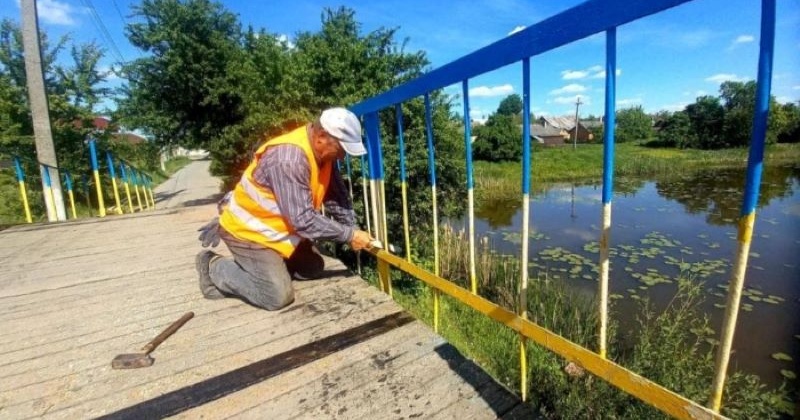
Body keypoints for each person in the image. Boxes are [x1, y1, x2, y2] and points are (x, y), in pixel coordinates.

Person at [195, 107, 374, 310]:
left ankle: (267, 268)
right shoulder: (289, 159)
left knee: (313, 268)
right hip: (248, 233)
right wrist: (349, 235)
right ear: (322, 136)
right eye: (341, 150)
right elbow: (303, 220)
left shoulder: (323, 156)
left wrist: (352, 227)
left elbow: (336, 197)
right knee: (277, 295)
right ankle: (214, 267)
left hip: (278, 232)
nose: (342, 157)